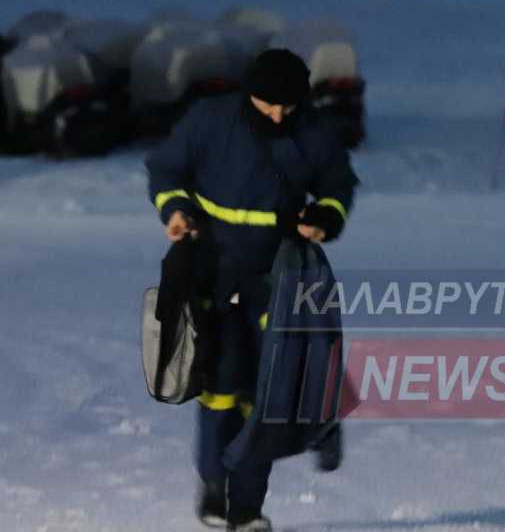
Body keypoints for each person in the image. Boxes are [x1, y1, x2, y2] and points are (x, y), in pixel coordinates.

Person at [146, 48, 359, 530]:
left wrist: (326, 215)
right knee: (219, 388)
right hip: (212, 273)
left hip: (277, 277)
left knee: (268, 395)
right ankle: (214, 486)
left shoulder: (312, 131)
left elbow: (338, 184)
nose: (281, 115)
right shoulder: (209, 120)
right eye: (271, 106)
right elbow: (164, 169)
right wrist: (175, 210)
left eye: (290, 106)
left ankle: (247, 508)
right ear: (250, 96)